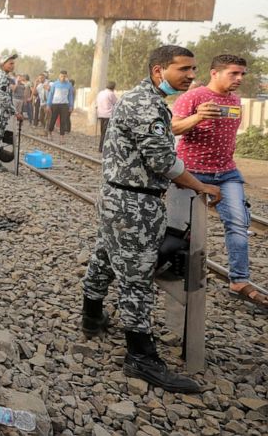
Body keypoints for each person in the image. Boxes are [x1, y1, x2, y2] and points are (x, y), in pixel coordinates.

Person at [82, 45, 221, 393]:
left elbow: (158, 137)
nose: (191, 75)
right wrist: (199, 184)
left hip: (119, 196)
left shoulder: (146, 100)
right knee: (137, 278)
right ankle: (140, 356)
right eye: (183, 69)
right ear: (159, 70)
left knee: (105, 257)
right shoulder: (146, 102)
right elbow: (162, 160)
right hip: (133, 203)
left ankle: (92, 315)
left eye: (193, 69)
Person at [171, 55, 265, 307]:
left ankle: (239, 279)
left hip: (226, 173)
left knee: (238, 222)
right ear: (215, 73)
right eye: (234, 73)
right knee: (178, 229)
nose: (239, 79)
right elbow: (172, 128)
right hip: (190, 172)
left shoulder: (235, 101)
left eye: (242, 74)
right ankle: (169, 269)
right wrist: (198, 117)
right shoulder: (193, 97)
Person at [0, 54, 22, 172]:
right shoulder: (2, 77)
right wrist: (15, 112)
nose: (13, 65)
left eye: (13, 63)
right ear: (3, 64)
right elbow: (4, 97)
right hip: (0, 110)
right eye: (10, 63)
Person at [46, 70, 75, 141]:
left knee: (63, 121)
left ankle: (62, 137)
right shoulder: (55, 84)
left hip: (64, 105)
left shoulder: (69, 85)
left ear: (66, 76)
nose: (63, 78)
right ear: (59, 76)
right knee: (53, 119)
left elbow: (70, 96)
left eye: (64, 76)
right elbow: (51, 95)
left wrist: (71, 106)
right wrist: (48, 105)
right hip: (55, 104)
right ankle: (50, 132)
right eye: (62, 76)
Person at [96, 81, 117, 152]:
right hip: (108, 115)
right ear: (113, 87)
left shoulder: (101, 93)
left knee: (103, 132)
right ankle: (102, 148)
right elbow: (116, 103)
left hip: (100, 114)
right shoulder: (111, 94)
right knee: (107, 133)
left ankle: (102, 148)